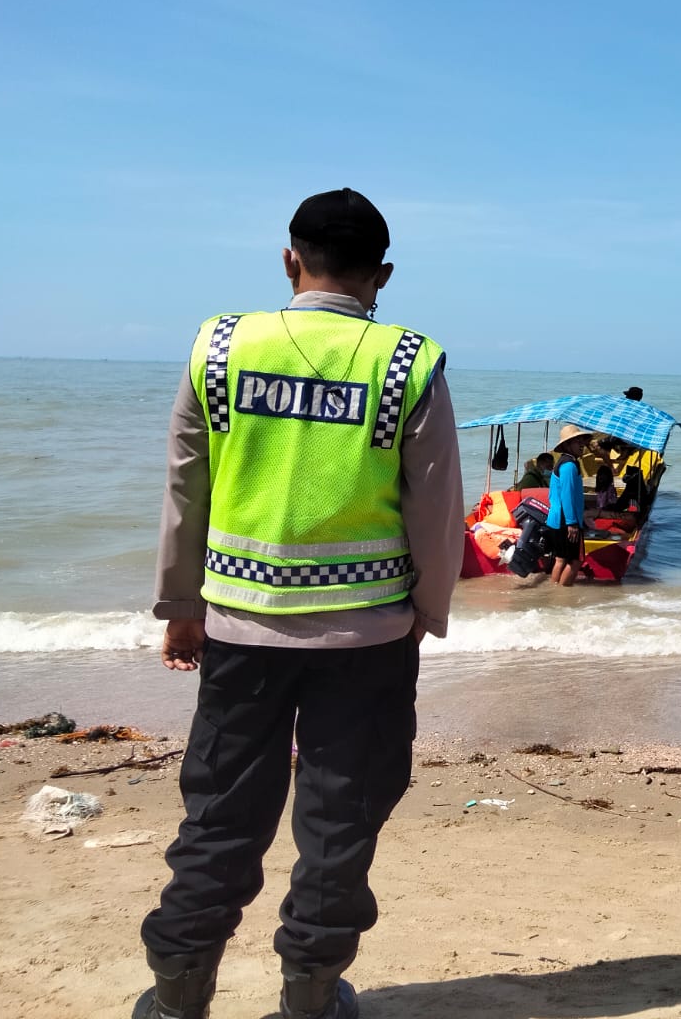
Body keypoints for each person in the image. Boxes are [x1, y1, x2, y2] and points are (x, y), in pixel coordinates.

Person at [138, 188, 462, 1019]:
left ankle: (178, 996)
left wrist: (181, 603)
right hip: (367, 640)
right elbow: (434, 509)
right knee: (340, 823)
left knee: (218, 818)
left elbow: (186, 483)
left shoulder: (218, 345)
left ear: (290, 259)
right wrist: (424, 617)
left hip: (239, 628)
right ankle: (310, 998)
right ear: (381, 274)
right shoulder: (408, 361)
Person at [544, 451, 585, 586]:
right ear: (568, 445)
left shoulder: (562, 462)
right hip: (564, 520)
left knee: (560, 559)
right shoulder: (569, 466)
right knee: (575, 561)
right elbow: (567, 495)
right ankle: (563, 596)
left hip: (556, 519)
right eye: (577, 441)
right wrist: (572, 522)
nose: (581, 444)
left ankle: (555, 591)